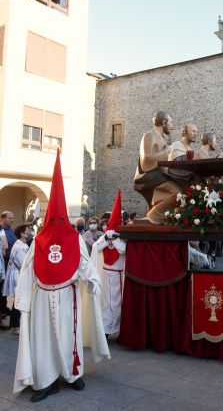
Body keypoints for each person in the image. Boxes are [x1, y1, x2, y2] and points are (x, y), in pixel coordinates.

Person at [13, 151, 110, 402]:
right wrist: (23, 300)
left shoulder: (75, 238)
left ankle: (72, 374)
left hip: (68, 296)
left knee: (70, 336)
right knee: (44, 342)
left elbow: (84, 262)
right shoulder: (39, 241)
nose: (56, 222)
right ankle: (46, 381)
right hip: (43, 298)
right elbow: (28, 269)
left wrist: (93, 279)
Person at [134, 111, 180, 224]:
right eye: (171, 123)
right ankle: (155, 214)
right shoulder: (149, 135)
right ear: (164, 122)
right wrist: (168, 150)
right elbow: (146, 161)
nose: (172, 126)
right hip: (146, 176)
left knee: (180, 184)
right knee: (177, 192)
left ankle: (162, 213)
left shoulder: (162, 138)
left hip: (157, 176)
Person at [91, 190, 126, 338]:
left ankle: (119, 331)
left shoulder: (122, 239)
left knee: (119, 305)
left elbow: (123, 250)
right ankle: (105, 331)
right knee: (106, 305)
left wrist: (116, 238)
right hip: (106, 275)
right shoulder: (105, 237)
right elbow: (95, 247)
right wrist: (106, 238)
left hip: (120, 276)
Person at [2, 224, 30, 335]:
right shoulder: (20, 246)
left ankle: (16, 325)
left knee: (19, 300)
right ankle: (15, 326)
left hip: (21, 274)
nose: (29, 232)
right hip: (18, 275)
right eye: (27, 231)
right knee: (18, 300)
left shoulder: (23, 244)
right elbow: (24, 263)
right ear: (22, 234)